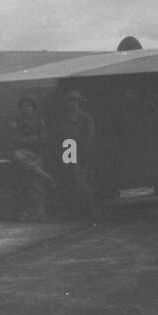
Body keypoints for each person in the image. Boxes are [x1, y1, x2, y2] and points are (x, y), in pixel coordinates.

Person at [10, 94, 52, 221]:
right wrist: (32, 139)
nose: (26, 109)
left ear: (33, 109)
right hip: (23, 154)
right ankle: (24, 212)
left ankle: (40, 213)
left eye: (29, 106)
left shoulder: (40, 122)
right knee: (24, 181)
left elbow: (43, 140)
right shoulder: (16, 122)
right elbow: (14, 140)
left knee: (37, 185)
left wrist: (26, 140)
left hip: (36, 154)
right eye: (24, 106)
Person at [60, 90, 98, 220]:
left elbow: (90, 137)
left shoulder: (86, 117)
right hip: (67, 152)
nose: (72, 104)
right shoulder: (64, 119)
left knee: (82, 183)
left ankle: (91, 212)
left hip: (80, 152)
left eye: (75, 101)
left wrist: (84, 155)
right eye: (70, 102)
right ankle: (75, 212)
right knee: (69, 183)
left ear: (79, 103)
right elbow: (62, 137)